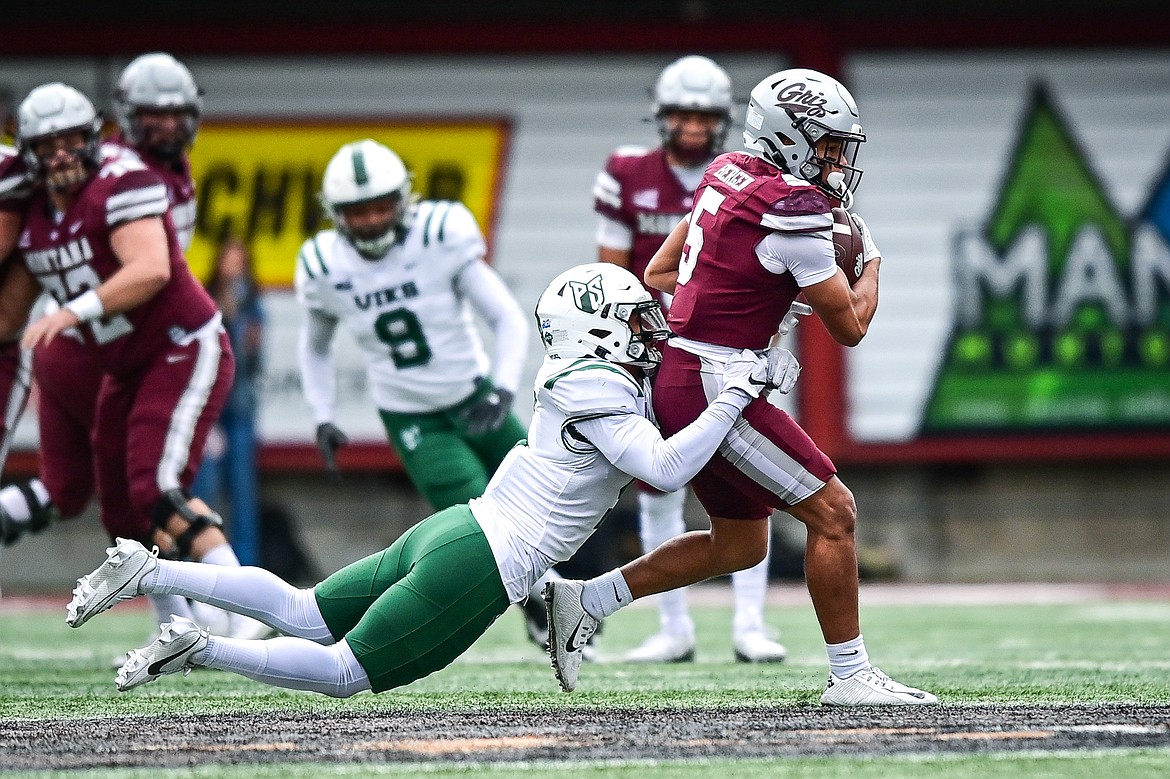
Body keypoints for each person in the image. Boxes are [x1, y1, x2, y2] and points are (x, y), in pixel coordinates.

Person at [62, 263, 796, 696]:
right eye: (636, 321)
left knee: (306, 608)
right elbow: (667, 470)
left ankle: (152, 567)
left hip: (457, 530)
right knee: (343, 671)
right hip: (485, 560)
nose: (650, 332)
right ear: (598, 330)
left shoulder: (584, 376)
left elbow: (664, 406)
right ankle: (202, 647)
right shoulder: (598, 387)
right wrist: (736, 392)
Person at [545, 69, 937, 706]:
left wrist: (751, 308)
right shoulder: (795, 211)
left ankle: (586, 598)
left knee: (741, 545)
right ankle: (851, 675)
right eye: (829, 144)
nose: (838, 160)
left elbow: (661, 270)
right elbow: (853, 326)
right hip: (714, 384)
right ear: (790, 136)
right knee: (835, 514)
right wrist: (871, 262)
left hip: (685, 372)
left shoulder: (727, 173)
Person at [0, 81, 262, 640]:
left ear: (94, 138)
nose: (62, 156)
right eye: (48, 146)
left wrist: (71, 313)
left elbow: (151, 270)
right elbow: (8, 319)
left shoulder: (121, 180)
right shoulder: (35, 215)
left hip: (180, 344)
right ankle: (174, 622)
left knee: (156, 486)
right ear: (28, 153)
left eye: (72, 141)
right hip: (125, 366)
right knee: (120, 507)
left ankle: (250, 607)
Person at [296, 138, 556, 645]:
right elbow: (315, 347)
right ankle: (549, 604)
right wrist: (322, 414)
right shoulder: (325, 266)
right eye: (358, 211)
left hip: (475, 396)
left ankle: (545, 598)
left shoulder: (439, 236)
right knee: (479, 511)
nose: (371, 220)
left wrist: (501, 388)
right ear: (336, 214)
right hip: (412, 415)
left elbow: (505, 316)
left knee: (542, 496)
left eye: (380, 207)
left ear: (403, 201)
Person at [593, 54, 785, 664]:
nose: (694, 127)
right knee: (658, 480)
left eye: (705, 116)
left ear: (724, 119)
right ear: (662, 115)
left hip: (733, 344)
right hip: (657, 347)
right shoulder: (627, 172)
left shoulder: (751, 174)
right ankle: (672, 627)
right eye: (683, 114)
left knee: (754, 478)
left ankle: (750, 625)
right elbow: (614, 271)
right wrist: (627, 346)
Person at [192, 237, 265, 567]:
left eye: (240, 261)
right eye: (228, 260)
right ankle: (205, 563)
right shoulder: (204, 304)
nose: (233, 268)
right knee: (204, 490)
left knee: (243, 493)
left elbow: (252, 362)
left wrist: (242, 324)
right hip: (209, 413)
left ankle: (245, 566)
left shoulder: (253, 308)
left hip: (239, 412)